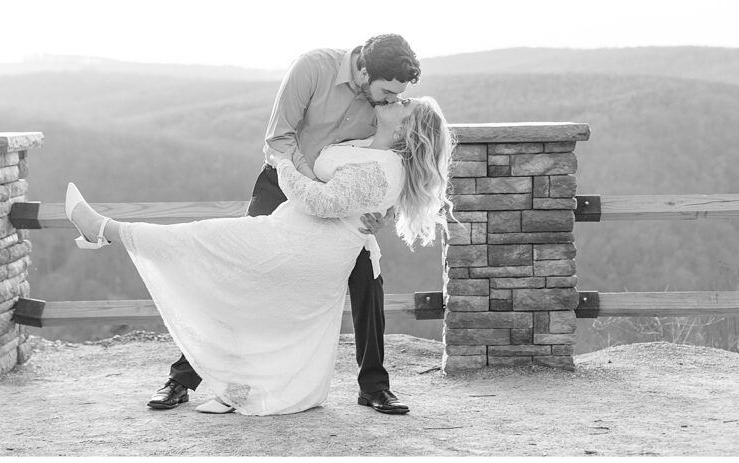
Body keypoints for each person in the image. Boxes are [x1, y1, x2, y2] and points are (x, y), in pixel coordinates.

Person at [66, 96, 455, 416]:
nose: (397, 98)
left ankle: (102, 229)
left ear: (405, 128)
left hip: (298, 242)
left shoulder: (382, 164)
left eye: (405, 103)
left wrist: (282, 162)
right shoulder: (367, 144)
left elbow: (322, 201)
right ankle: (219, 382)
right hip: (293, 233)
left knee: (199, 243)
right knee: (225, 271)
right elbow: (352, 191)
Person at [152, 34, 423, 415]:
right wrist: (309, 186)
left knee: (367, 278)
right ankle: (182, 379)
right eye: (386, 93)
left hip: (340, 200)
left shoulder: (383, 106)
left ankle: (374, 386)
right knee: (243, 275)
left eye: (397, 96)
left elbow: (388, 161)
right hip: (282, 182)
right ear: (363, 69)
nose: (390, 101)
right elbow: (278, 137)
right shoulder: (313, 67)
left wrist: (383, 212)